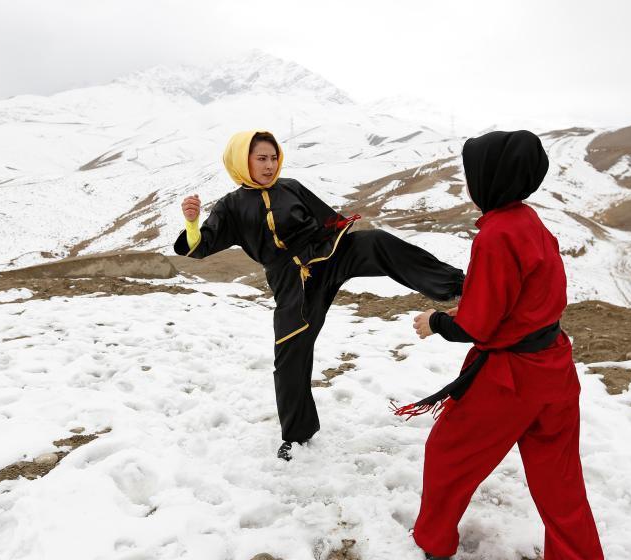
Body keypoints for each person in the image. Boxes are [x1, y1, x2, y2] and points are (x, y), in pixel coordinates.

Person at [396, 130, 612, 560]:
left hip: (507, 379)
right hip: (554, 369)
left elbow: (478, 326)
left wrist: (436, 322)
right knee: (560, 480)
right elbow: (523, 298)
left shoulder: (495, 234)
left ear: (491, 178)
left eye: (473, 173)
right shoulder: (529, 221)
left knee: (449, 455)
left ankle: (433, 543)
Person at [176, 130, 465, 460]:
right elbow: (200, 246)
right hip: (293, 282)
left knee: (376, 242)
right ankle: (296, 435)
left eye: (273, 158)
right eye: (261, 158)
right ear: (243, 161)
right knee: (290, 356)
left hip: (328, 257)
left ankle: (460, 287)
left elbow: (328, 222)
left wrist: (339, 241)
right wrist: (192, 222)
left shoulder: (291, 187)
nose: (270, 165)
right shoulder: (231, 206)